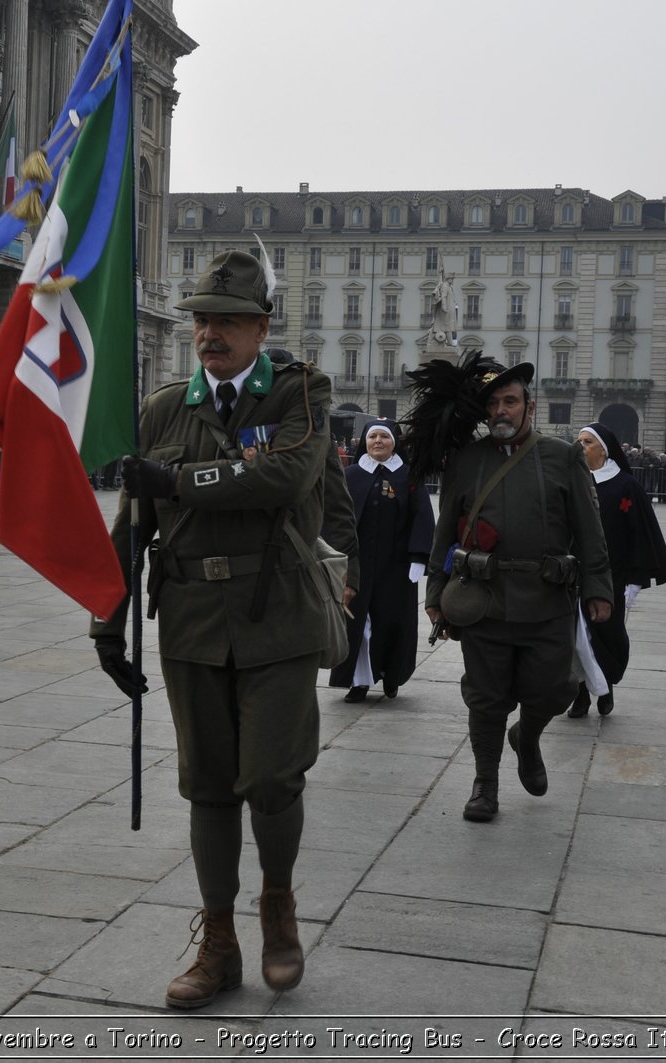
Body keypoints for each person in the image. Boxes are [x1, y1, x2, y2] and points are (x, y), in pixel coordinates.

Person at [91, 249, 330, 1009]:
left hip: (277, 617)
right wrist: (108, 613)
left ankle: (279, 905)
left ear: (262, 327)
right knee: (207, 786)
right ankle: (220, 941)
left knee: (270, 776)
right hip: (192, 620)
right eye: (201, 320)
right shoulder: (163, 408)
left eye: (226, 320)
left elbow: (287, 475)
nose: (208, 334)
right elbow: (136, 520)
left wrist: (183, 479)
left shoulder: (299, 393)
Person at [415, 356, 612, 824]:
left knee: (555, 689)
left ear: (529, 405)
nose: (502, 411)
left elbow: (590, 529)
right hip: (485, 600)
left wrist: (599, 588)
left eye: (510, 401)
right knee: (485, 697)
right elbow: (445, 531)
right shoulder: (467, 461)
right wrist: (434, 593)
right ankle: (485, 784)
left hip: (549, 600)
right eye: (494, 404)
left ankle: (526, 737)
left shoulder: (564, 456)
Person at [567, 423, 666, 719]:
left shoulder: (625, 485)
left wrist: (635, 581)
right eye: (578, 441)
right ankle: (579, 696)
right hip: (572, 575)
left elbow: (640, 534)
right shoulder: (572, 480)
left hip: (610, 576)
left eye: (587, 442)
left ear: (603, 448)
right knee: (573, 638)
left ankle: (606, 690)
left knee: (606, 634)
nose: (580, 446)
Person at [329, 417, 433, 703]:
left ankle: (391, 675)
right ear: (365, 441)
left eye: (384, 437)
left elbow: (423, 517)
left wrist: (418, 557)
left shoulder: (409, 477)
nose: (378, 442)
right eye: (373, 436)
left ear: (394, 442)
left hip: (395, 567)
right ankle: (358, 682)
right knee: (358, 625)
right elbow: (336, 519)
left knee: (392, 623)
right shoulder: (350, 475)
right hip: (357, 566)